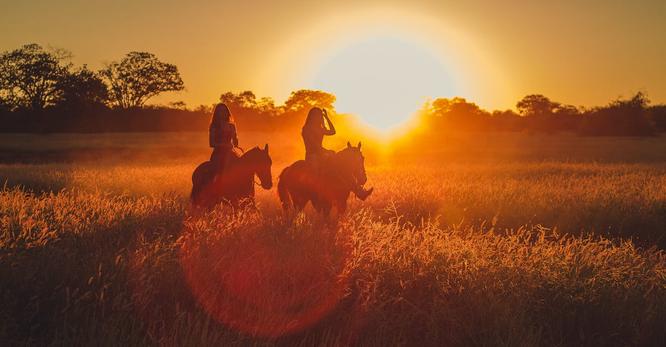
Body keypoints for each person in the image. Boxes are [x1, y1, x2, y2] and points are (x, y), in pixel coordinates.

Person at [301, 107, 371, 200]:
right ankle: (316, 194)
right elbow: (314, 145)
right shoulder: (307, 129)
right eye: (318, 116)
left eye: (321, 116)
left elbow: (333, 131)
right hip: (312, 155)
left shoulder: (320, 128)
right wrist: (326, 151)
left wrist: (327, 117)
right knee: (316, 174)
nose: (320, 118)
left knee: (341, 166)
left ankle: (359, 190)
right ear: (313, 116)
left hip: (322, 154)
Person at [209, 103, 238, 180]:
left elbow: (235, 142)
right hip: (218, 154)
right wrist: (224, 145)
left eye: (224, 111)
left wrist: (235, 138)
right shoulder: (214, 126)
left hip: (230, 153)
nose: (222, 113)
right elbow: (211, 143)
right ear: (217, 113)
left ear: (227, 112)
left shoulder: (232, 126)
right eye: (220, 111)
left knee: (241, 166)